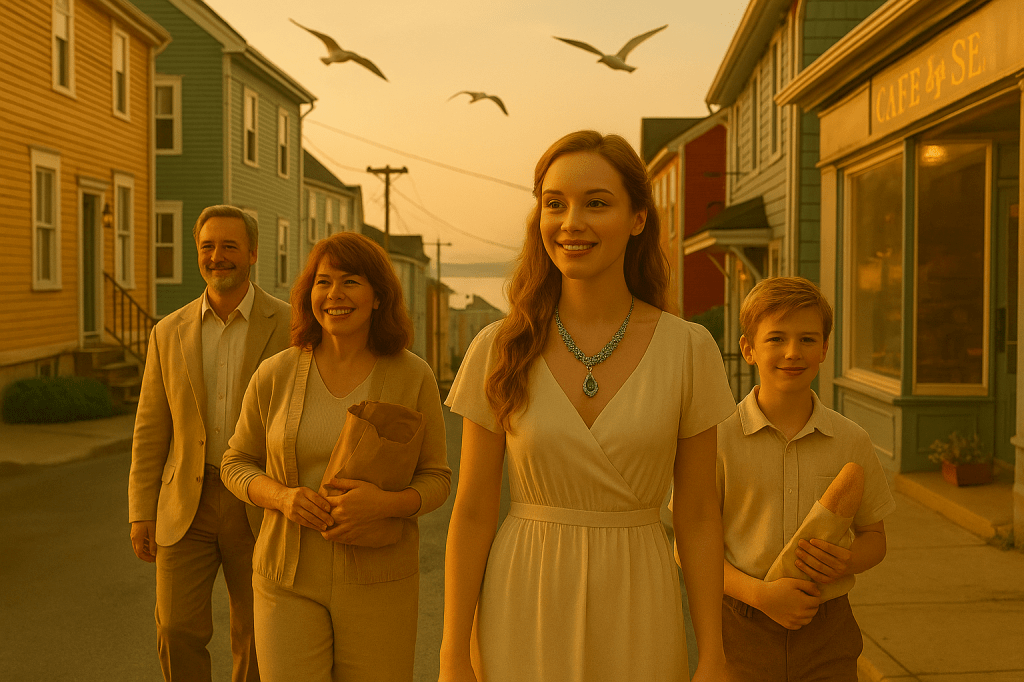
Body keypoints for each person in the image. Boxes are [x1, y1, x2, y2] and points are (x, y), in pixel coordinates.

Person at [439, 130, 736, 682]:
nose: (571, 222)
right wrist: (452, 653)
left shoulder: (688, 349)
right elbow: (474, 512)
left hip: (640, 602)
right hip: (522, 599)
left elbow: (698, 516)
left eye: (596, 203)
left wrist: (714, 653)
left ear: (638, 218)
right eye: (555, 204)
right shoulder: (499, 348)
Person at [219, 232, 451, 682]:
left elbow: (437, 478)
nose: (334, 294)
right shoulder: (275, 373)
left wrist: (385, 504)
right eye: (323, 282)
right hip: (285, 580)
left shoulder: (413, 375)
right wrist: (282, 498)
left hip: (381, 582)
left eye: (351, 281)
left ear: (378, 297)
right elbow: (235, 462)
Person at [128, 205, 292, 682]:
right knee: (175, 628)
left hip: (260, 501)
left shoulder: (290, 326)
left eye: (229, 246)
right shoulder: (167, 332)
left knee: (257, 634)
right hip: (185, 504)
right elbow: (150, 427)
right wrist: (141, 509)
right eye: (208, 246)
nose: (217, 256)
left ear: (253, 253)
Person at [717, 276, 897, 681]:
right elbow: (690, 549)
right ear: (748, 349)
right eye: (776, 338)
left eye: (808, 339)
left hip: (827, 629)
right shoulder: (716, 439)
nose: (793, 352)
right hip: (741, 624)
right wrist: (761, 595)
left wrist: (849, 560)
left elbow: (875, 536)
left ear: (824, 349)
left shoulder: (851, 441)